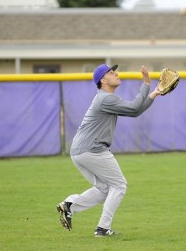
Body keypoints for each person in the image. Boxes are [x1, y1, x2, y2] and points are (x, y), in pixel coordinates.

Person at [57, 63, 161, 237]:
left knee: (105, 189)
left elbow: (134, 112)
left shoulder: (105, 98)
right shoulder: (106, 98)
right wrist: (146, 83)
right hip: (92, 149)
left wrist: (153, 95)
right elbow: (134, 107)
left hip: (80, 151)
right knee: (119, 185)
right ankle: (103, 228)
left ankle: (70, 205)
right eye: (112, 72)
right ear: (103, 80)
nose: (117, 74)